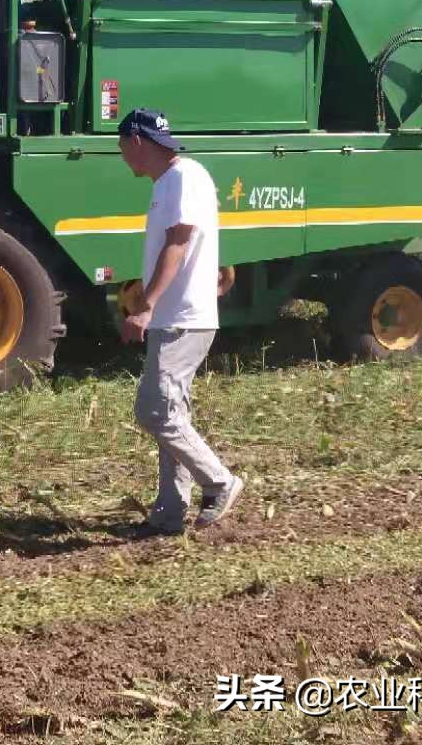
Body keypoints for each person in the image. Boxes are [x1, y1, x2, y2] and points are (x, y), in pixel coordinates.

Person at [116, 108, 242, 536]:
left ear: (135, 141)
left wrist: (147, 304)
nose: (120, 156)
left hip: (180, 317)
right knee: (172, 411)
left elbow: (180, 240)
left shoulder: (182, 177)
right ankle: (170, 512)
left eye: (120, 147)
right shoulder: (174, 180)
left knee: (154, 410)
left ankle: (219, 480)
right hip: (179, 314)